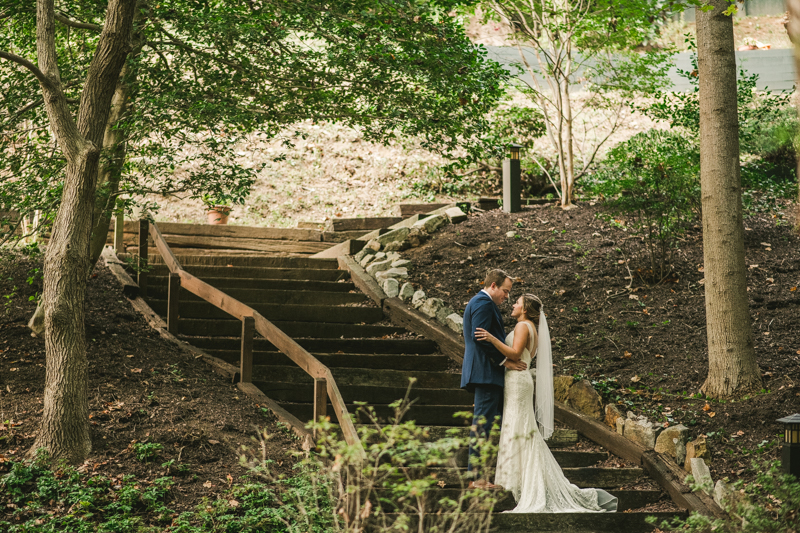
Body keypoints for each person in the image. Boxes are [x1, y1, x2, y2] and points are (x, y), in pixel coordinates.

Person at [475, 294, 618, 513]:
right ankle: (516, 478)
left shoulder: (523, 326)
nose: (513, 304)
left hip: (517, 381)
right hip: (518, 380)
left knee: (519, 426)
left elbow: (515, 354)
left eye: (517, 302)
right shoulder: (531, 327)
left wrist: (491, 338)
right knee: (519, 426)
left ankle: (519, 479)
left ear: (524, 308)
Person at [461, 269, 527, 489]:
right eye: (506, 291)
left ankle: (486, 475)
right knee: (482, 424)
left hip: (485, 372)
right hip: (485, 372)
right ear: (493, 286)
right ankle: (477, 478)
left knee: (489, 424)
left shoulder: (481, 302)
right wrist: (503, 361)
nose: (507, 297)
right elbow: (479, 337)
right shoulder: (484, 303)